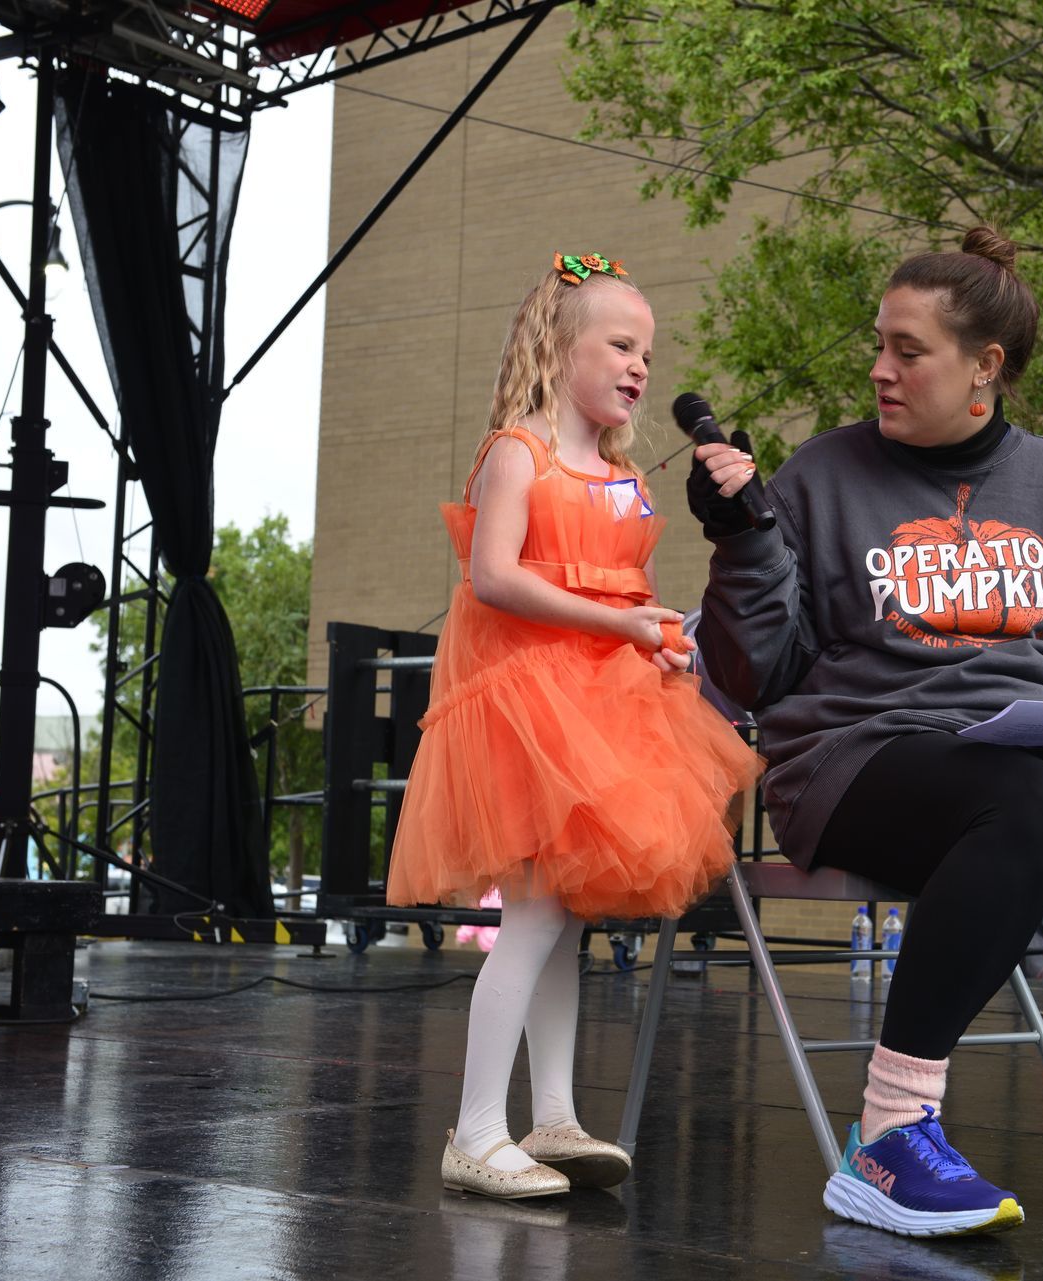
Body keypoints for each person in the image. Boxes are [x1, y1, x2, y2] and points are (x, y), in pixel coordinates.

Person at [689, 227, 1043, 1238]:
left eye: (908, 350)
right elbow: (753, 673)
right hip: (859, 754)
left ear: (985, 366)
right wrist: (742, 543)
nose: (879, 369)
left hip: (1034, 758)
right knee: (1033, 801)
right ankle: (890, 1133)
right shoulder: (821, 475)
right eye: (879, 345)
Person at [387, 252, 762, 1201]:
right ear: (559, 349)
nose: (641, 367)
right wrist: (619, 625)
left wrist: (658, 640)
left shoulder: (625, 475)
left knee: (563, 918)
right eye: (622, 345)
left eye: (649, 353)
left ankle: (551, 1114)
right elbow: (494, 576)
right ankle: (477, 1128)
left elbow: (631, 593)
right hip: (527, 704)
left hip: (603, 706)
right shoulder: (520, 450)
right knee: (536, 913)